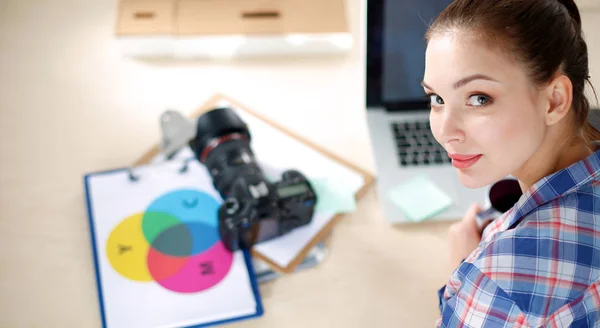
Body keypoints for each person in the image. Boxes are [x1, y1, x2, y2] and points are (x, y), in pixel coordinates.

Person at [422, 0, 600, 326]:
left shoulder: (495, 283)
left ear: (555, 100)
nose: (445, 132)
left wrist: (464, 268)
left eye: (479, 98)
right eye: (437, 99)